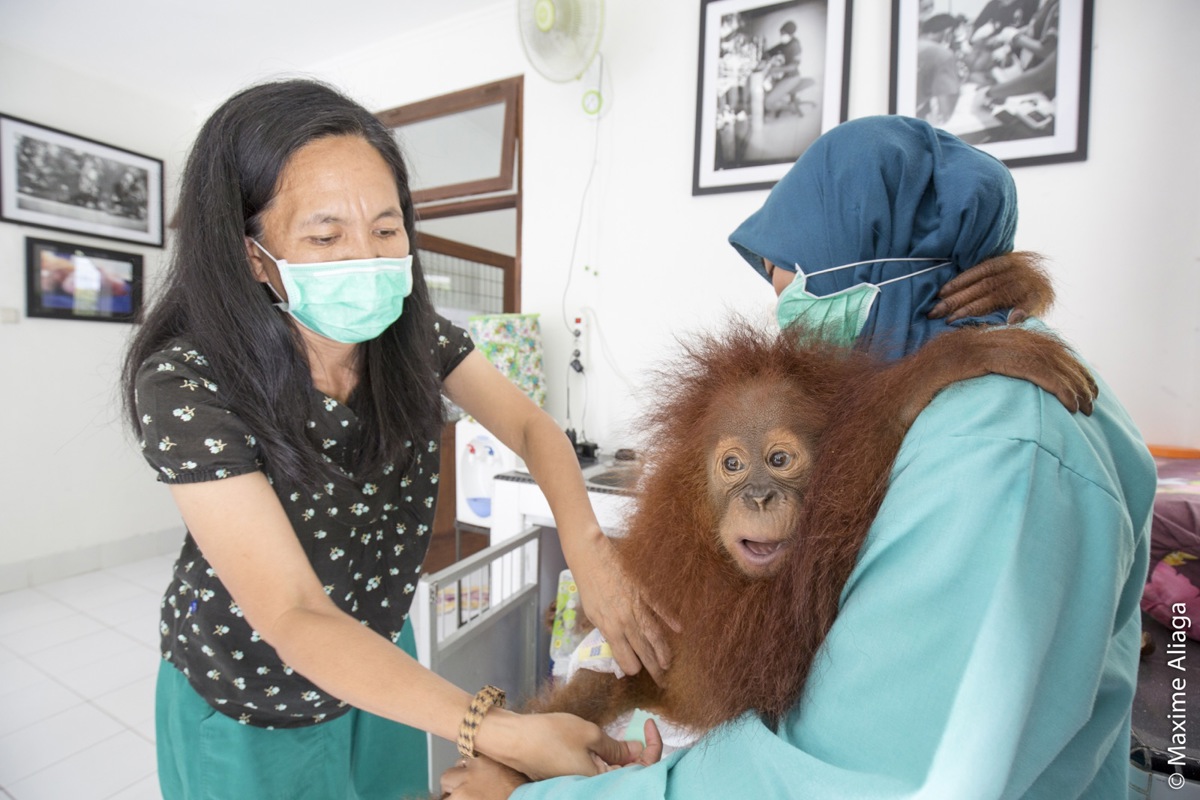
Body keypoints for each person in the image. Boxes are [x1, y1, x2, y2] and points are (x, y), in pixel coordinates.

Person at [440, 116, 1156, 798]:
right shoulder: (943, 384)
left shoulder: (997, 447)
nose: (788, 315)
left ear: (881, 267)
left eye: (798, 285)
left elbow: (847, 776)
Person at [120, 78, 670, 799]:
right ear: (255, 256)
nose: (368, 258)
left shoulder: (410, 337)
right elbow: (293, 613)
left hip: (380, 659)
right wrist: (499, 730)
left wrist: (591, 551)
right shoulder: (188, 383)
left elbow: (533, 427)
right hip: (249, 691)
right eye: (326, 235)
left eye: (385, 229)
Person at [762, 20, 805, 117]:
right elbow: (771, 51)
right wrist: (767, 56)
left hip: (792, 77)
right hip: (784, 76)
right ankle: (777, 101)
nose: (781, 36)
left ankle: (790, 107)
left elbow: (793, 66)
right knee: (766, 87)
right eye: (781, 33)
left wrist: (777, 69)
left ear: (791, 34)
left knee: (768, 102)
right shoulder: (785, 43)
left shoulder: (796, 46)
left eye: (783, 34)